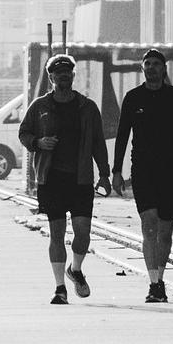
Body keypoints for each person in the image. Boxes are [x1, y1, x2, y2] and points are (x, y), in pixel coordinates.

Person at [112, 47, 173, 303]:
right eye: (148, 64)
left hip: (170, 169)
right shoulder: (133, 98)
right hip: (142, 170)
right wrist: (116, 171)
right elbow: (122, 135)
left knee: (165, 229)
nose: (152, 67)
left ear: (164, 68)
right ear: (142, 69)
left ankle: (161, 278)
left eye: (156, 63)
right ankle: (153, 283)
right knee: (149, 225)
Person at [19, 52, 111, 306]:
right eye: (58, 73)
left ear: (72, 75)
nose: (63, 76)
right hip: (51, 179)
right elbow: (24, 133)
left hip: (81, 179)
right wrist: (38, 142)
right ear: (51, 77)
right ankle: (60, 288)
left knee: (83, 233)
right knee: (56, 235)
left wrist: (104, 173)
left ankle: (76, 269)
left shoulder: (87, 107)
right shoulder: (39, 106)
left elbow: (97, 143)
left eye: (67, 72)